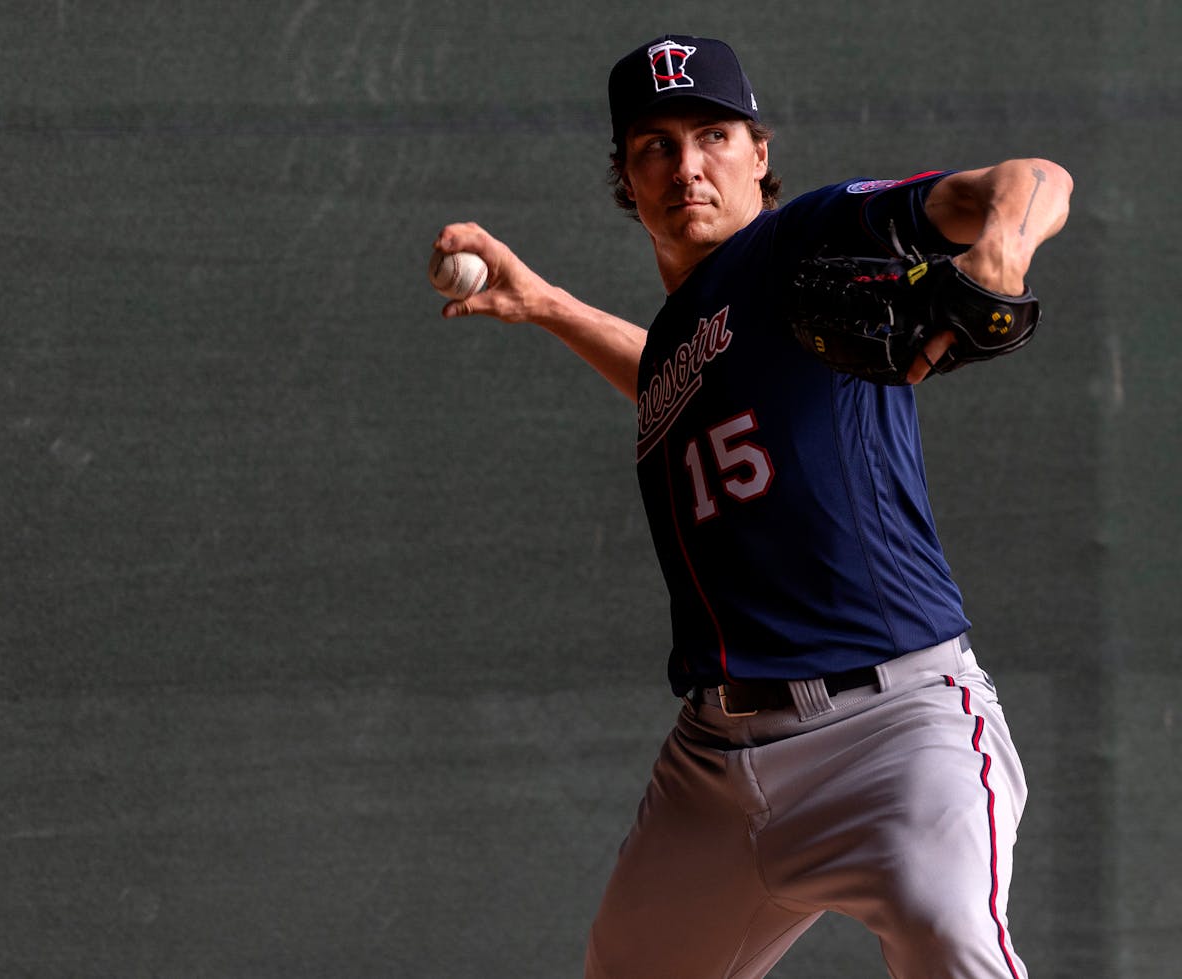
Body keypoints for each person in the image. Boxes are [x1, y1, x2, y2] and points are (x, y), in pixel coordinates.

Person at [431, 33, 1072, 979]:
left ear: (759, 154)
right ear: (627, 177)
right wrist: (551, 307)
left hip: (891, 733)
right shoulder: (688, 336)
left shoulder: (803, 239)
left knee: (953, 943)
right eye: (656, 145)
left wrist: (1002, 248)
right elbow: (673, 378)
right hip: (716, 767)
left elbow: (1033, 176)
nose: (687, 165)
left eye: (714, 135)